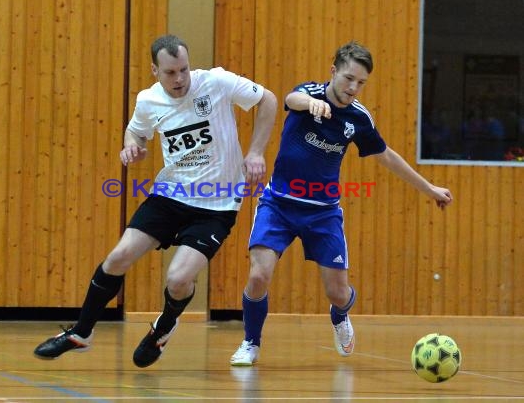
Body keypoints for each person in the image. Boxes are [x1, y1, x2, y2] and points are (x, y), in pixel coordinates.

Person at [33, 34, 277, 368]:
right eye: (170, 73)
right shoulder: (148, 100)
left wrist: (256, 151)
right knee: (118, 257)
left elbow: (270, 100)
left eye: (183, 70)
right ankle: (81, 333)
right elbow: (135, 131)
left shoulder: (217, 82)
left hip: (215, 204)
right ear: (154, 70)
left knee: (178, 280)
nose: (179, 79)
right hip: (169, 195)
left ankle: (162, 329)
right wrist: (130, 145)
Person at [229, 41, 453, 366]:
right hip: (279, 204)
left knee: (338, 292)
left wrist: (429, 188)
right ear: (333, 71)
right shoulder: (309, 94)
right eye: (349, 78)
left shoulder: (359, 118)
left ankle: (339, 316)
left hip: (323, 213)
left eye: (361, 82)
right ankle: (251, 342)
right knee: (259, 275)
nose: (353, 87)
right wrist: (311, 104)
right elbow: (292, 99)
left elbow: (387, 157)